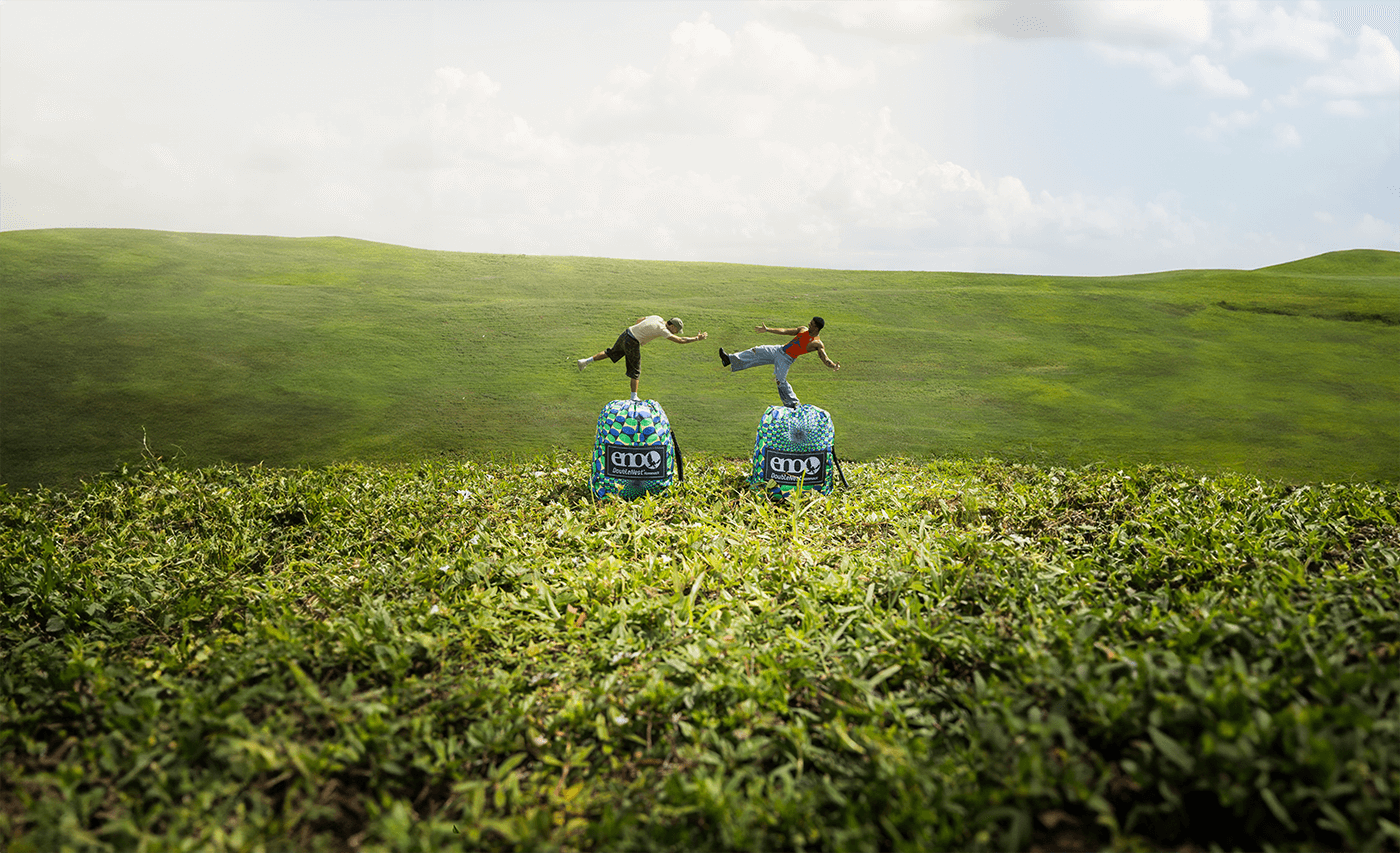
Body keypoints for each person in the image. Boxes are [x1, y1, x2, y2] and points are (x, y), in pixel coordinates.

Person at [577, 315, 708, 400]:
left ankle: (585, 361)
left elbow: (639, 320)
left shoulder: (657, 317)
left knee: (611, 352)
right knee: (636, 369)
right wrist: (697, 338)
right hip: (633, 341)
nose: (675, 332)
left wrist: (642, 331)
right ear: (672, 326)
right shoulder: (662, 329)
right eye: (676, 330)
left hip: (627, 333)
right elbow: (680, 340)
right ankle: (634, 397)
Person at [719, 316, 840, 408]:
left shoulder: (817, 343)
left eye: (812, 324)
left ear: (816, 328)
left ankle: (794, 404)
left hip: (787, 359)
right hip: (779, 349)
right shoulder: (803, 329)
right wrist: (767, 330)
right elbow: (785, 331)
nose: (809, 324)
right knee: (756, 351)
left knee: (780, 381)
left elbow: (823, 357)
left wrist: (833, 365)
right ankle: (729, 359)